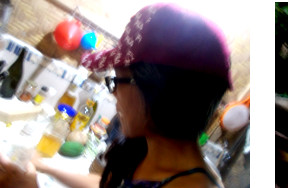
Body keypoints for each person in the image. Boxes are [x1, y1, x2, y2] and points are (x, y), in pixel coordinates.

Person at [1, 3, 230, 187]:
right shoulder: (147, 149)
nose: (114, 95)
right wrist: (44, 166)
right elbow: (106, 185)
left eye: (117, 80)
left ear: (154, 88)